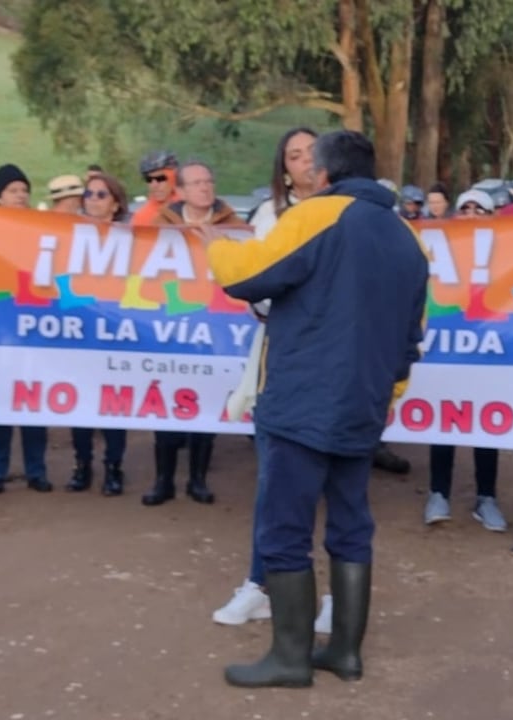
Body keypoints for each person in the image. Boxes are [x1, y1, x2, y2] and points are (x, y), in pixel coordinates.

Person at [205, 130, 428, 688]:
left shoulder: (317, 215)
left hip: (303, 400)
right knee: (351, 527)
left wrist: (214, 243)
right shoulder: (408, 238)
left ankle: (289, 657)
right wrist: (387, 397)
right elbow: (410, 338)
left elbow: (245, 276)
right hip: (364, 407)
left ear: (325, 175)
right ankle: (345, 652)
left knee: (284, 528)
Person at [213, 127, 333, 635]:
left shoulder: (349, 214)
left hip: (335, 363)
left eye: (312, 152)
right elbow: (256, 293)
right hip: (277, 361)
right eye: (294, 155)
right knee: (274, 479)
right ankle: (260, 585)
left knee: (338, 487)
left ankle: (332, 597)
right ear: (284, 168)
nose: (304, 162)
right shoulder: (270, 218)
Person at [144, 160, 244, 507]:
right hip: (170, 328)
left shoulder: (235, 226)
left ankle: (198, 480)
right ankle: (163, 481)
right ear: (181, 192)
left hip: (215, 328)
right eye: (197, 182)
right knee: (166, 407)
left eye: (209, 180)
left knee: (208, 402)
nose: (206, 187)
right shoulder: (159, 226)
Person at [424, 190, 505, 531]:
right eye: (465, 208)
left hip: (490, 350)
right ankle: (438, 493)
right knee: (443, 420)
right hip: (447, 349)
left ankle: (486, 497)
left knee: (488, 427)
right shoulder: (437, 246)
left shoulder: (507, 250)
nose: (471, 213)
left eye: (480, 208)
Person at [0, 164, 54, 495]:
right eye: (13, 190)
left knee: (34, 403)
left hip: (35, 328)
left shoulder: (40, 230)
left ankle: (35, 470)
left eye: (24, 190)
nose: (21, 195)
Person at [67, 172, 131, 496]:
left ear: (116, 203)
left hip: (117, 332)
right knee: (81, 403)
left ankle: (113, 467)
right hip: (80, 330)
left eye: (100, 194)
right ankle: (82, 465)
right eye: (88, 194)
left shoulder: (132, 238)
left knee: (113, 406)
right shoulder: (69, 235)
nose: (92, 199)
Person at [130, 150, 179, 225]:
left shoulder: (193, 206)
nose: (154, 185)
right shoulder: (141, 217)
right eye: (149, 180)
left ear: (174, 176)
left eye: (160, 178)